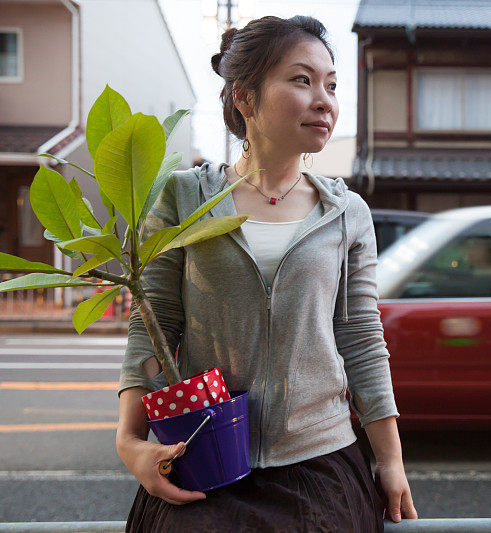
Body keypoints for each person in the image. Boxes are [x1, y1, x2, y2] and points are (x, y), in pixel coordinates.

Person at [115, 15, 417, 532]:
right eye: (302, 80)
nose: (325, 100)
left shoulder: (347, 214)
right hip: (205, 454)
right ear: (245, 98)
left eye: (332, 85)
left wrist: (390, 462)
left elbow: (362, 339)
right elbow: (155, 322)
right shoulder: (183, 200)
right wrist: (131, 443)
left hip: (320, 466)